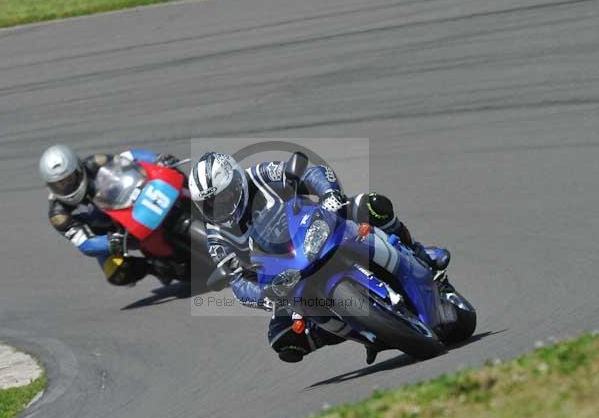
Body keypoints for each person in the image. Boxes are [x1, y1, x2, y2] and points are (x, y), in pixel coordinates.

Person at [188, 152, 450, 364]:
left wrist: (330, 195)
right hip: (286, 275)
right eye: (208, 204)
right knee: (283, 339)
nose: (217, 207)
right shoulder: (216, 237)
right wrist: (264, 295)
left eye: (222, 197)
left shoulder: (259, 175)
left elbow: (309, 171)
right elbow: (236, 281)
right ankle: (339, 330)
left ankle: (418, 251)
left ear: (236, 182)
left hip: (317, 226)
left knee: (371, 204)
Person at [39, 144, 180, 286]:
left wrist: (156, 159)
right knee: (116, 272)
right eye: (59, 184)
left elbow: (129, 157)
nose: (66, 186)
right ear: (50, 186)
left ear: (79, 169)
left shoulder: (94, 163)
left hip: (127, 205)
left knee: (171, 171)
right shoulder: (59, 214)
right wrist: (109, 242)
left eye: (69, 179)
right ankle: (156, 267)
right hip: (110, 234)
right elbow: (84, 243)